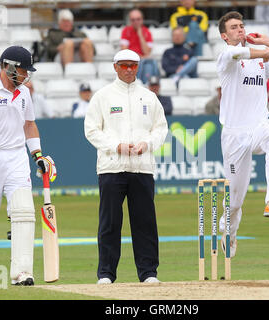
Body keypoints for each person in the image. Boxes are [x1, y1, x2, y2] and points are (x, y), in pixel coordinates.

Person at [0, 46, 56, 286]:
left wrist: (38, 154)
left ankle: (21, 272)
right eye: (23, 71)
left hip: (16, 158)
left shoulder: (24, 93)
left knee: (24, 211)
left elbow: (29, 125)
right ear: (9, 66)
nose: (26, 76)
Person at [216, 12, 269, 258]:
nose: (240, 30)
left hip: (258, 126)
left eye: (242, 26)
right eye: (234, 27)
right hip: (234, 134)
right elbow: (235, 53)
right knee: (234, 201)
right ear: (225, 35)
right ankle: (229, 232)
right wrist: (261, 53)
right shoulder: (224, 57)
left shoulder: (260, 62)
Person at [84, 49, 168, 284]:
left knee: (145, 222)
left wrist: (147, 144)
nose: (129, 69)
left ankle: (149, 273)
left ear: (138, 67)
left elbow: (161, 129)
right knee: (110, 222)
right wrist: (116, 146)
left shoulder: (149, 97)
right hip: (112, 167)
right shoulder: (103, 96)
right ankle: (106, 274)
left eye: (133, 65)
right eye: (124, 65)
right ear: (115, 67)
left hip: (142, 166)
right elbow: (91, 130)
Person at [120, 9, 160, 84]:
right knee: (148, 66)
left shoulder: (147, 32)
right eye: (133, 20)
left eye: (138, 19)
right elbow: (124, 51)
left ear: (142, 20)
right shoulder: (126, 31)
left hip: (143, 61)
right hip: (131, 61)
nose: (136, 22)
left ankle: (146, 85)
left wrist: (141, 35)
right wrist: (139, 57)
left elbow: (147, 52)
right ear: (130, 21)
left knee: (149, 65)